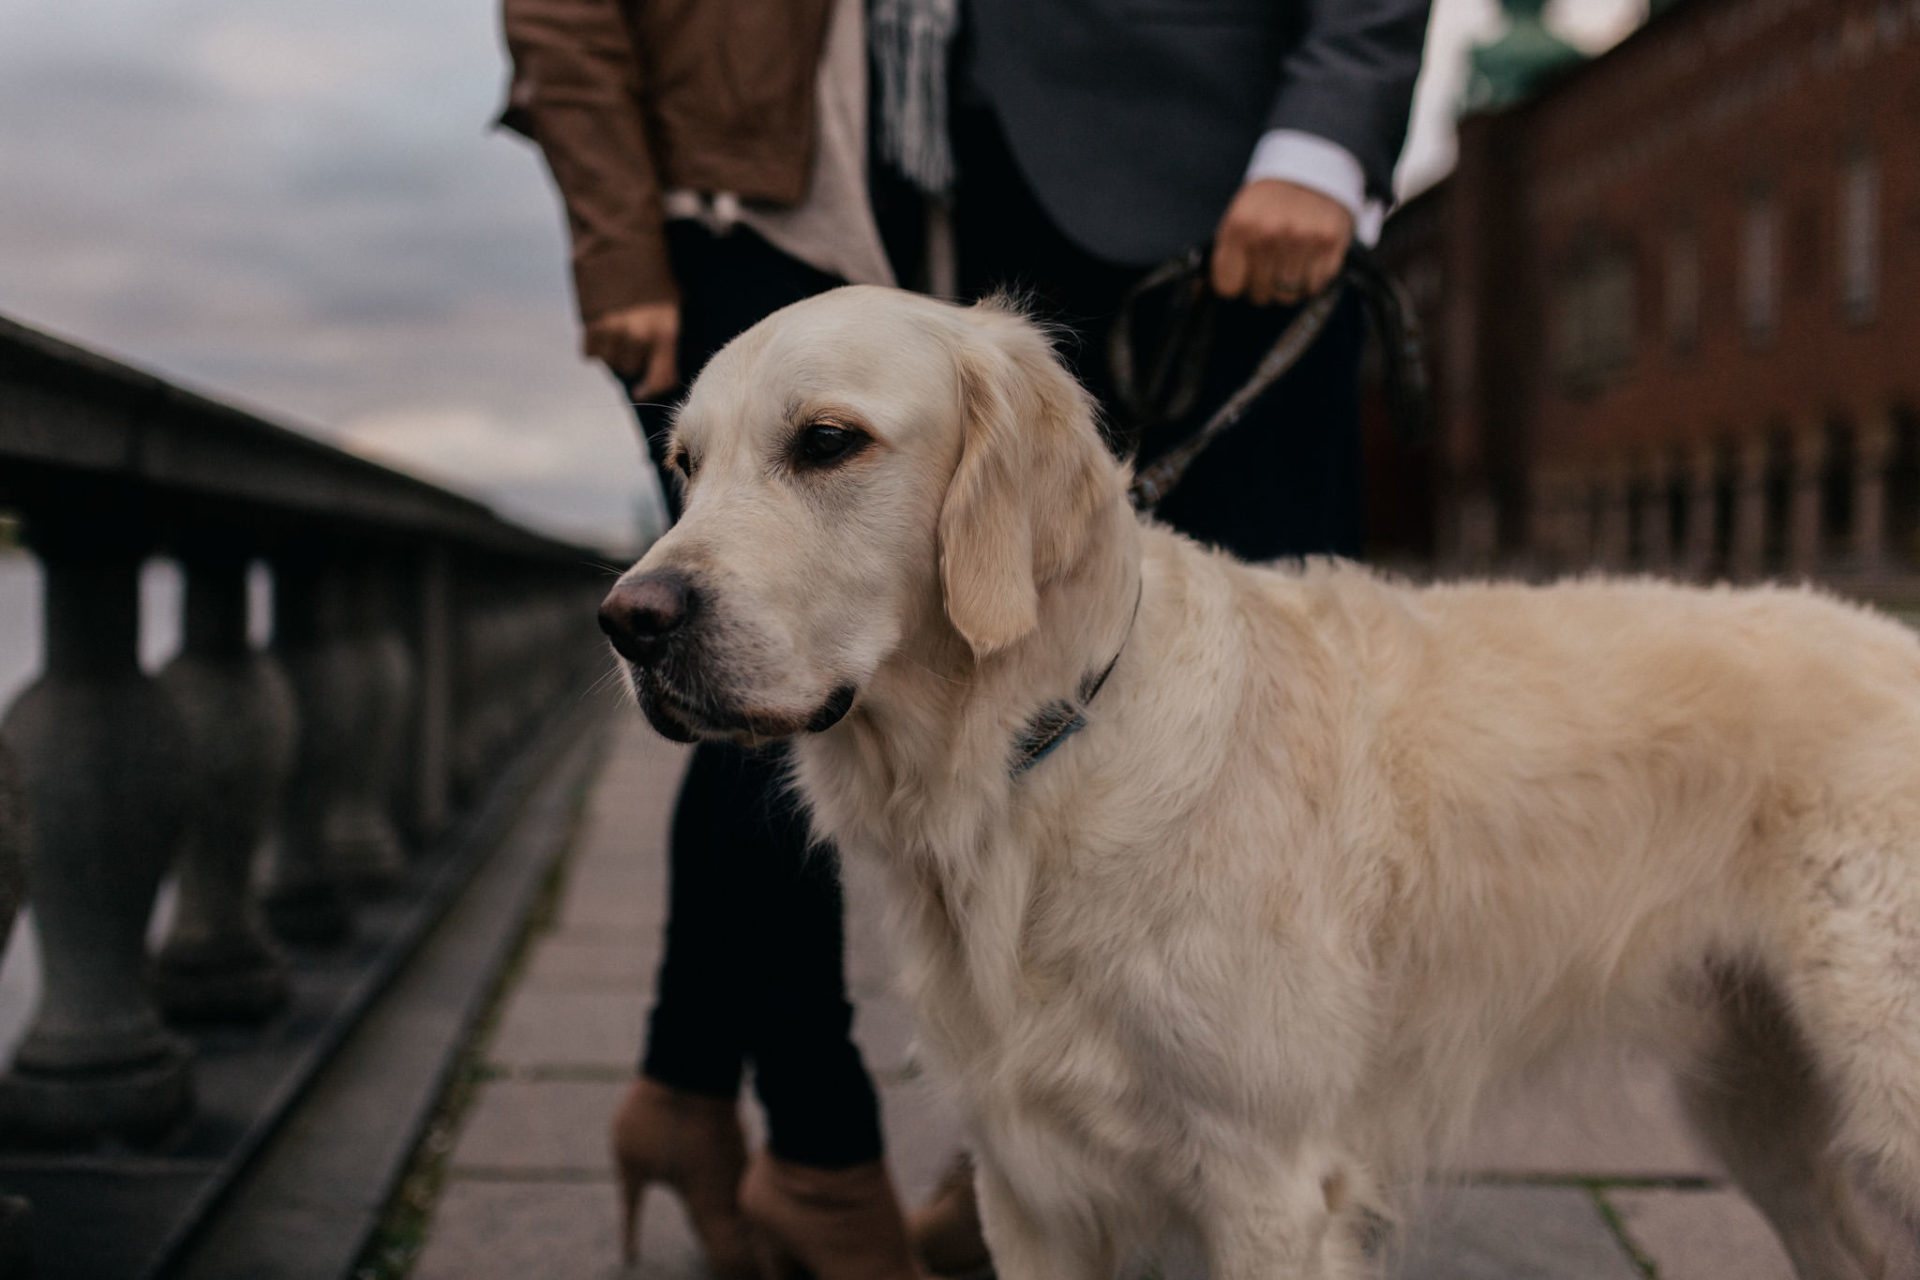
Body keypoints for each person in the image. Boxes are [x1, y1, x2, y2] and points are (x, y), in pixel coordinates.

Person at [905, 0, 1432, 1268]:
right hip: (956, 160)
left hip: (1208, 159)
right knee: (1010, 679)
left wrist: (1321, 133)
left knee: (1280, 715)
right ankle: (1056, 1125)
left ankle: (1282, 1136)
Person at [498, 1, 931, 1277]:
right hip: (739, 216)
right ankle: (816, 1143)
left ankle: (685, 1093)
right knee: (748, 671)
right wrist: (619, 242)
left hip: (915, 218)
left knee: (763, 681)